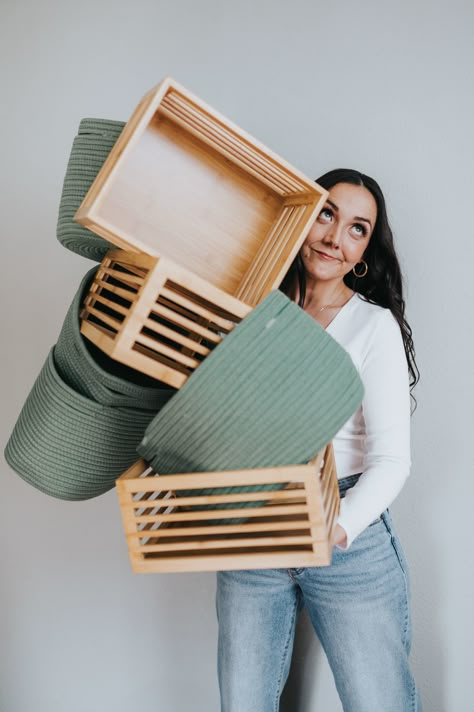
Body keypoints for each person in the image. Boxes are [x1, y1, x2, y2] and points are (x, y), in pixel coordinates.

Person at [215, 168, 421, 711]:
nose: (334, 236)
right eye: (327, 213)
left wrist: (339, 527)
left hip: (347, 532)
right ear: (302, 215)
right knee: (242, 702)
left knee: (379, 702)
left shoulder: (372, 327)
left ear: (364, 253)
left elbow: (392, 460)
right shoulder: (250, 310)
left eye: (358, 228)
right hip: (253, 527)